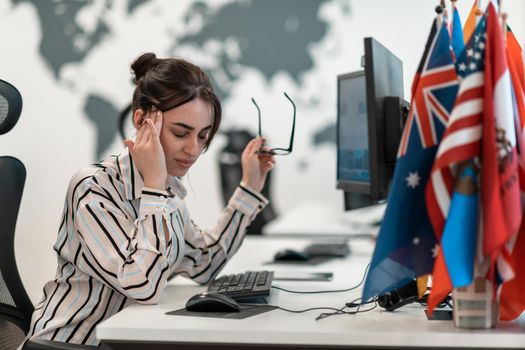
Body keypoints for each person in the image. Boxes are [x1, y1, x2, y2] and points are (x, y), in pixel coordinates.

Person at [22, 52, 275, 347]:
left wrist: (249, 189)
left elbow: (205, 263)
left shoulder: (169, 192)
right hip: (68, 345)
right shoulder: (94, 188)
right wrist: (153, 188)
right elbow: (143, 285)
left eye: (203, 136)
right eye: (181, 133)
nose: (193, 150)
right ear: (142, 121)